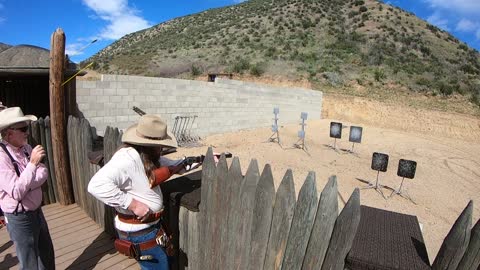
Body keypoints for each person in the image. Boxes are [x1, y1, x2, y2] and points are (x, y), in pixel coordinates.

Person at [88, 114, 202, 270]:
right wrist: (133, 204)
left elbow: (177, 165)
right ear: (149, 145)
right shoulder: (127, 159)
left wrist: (201, 160)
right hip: (140, 232)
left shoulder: (147, 156)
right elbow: (96, 185)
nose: (162, 148)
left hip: (149, 228)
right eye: (160, 145)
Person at [0, 107, 55, 270]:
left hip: (36, 210)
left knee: (46, 254)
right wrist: (32, 165)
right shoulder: (2, 157)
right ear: (9, 133)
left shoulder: (26, 148)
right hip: (19, 217)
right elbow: (17, 192)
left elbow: (44, 171)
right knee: (29, 261)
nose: (27, 132)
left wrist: (28, 183)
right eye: (23, 129)